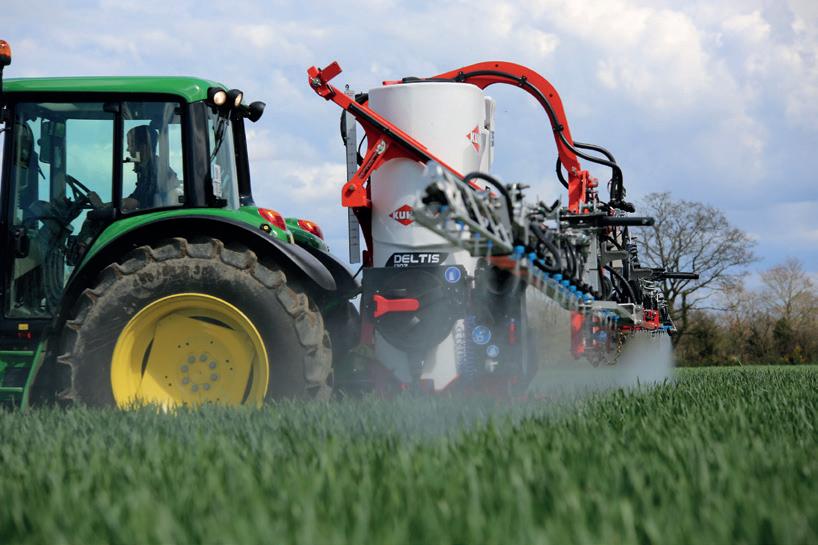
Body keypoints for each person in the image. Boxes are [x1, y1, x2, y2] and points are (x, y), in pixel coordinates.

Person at [122, 124, 159, 211]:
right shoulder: (146, 170)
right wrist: (104, 206)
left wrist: (103, 206)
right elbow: (134, 198)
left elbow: (136, 202)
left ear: (143, 147)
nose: (127, 149)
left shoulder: (155, 170)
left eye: (131, 145)